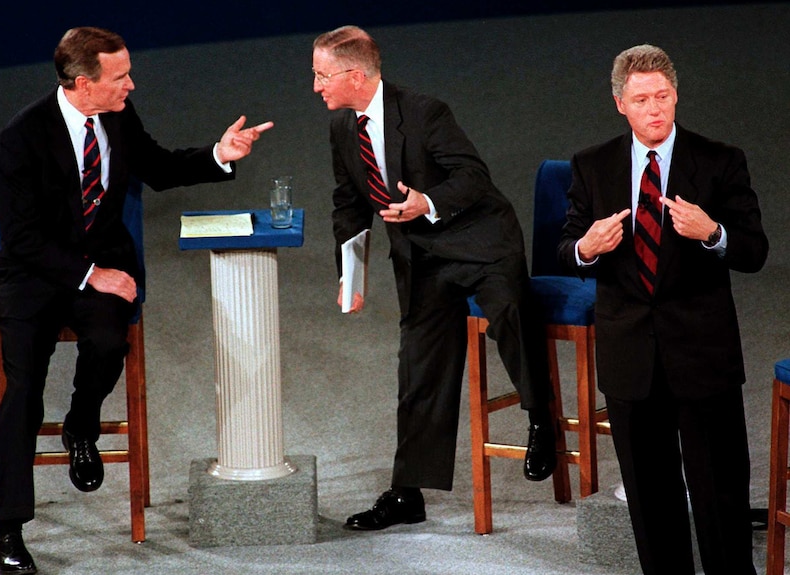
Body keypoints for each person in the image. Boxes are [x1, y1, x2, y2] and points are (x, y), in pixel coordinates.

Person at [0, 26, 272, 574]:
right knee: (22, 389)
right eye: (119, 77)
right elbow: (21, 237)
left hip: (102, 267)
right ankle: (9, 530)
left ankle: (81, 424)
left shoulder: (116, 116)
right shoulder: (21, 136)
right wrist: (91, 274)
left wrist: (220, 153)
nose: (131, 85)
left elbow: (159, 167)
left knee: (107, 340)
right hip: (32, 277)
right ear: (81, 83)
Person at [311, 25, 556, 531]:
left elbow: (473, 176)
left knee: (509, 311)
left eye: (320, 75)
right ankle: (407, 494)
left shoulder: (424, 112)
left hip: (479, 242)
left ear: (355, 76)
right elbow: (349, 203)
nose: (315, 87)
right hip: (423, 257)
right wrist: (350, 273)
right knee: (418, 365)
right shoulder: (342, 127)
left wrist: (426, 201)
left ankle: (541, 420)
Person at [558, 44, 768, 575]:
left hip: (702, 354)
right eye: (641, 99)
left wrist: (712, 233)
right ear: (619, 104)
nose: (655, 109)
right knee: (652, 505)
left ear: (676, 96)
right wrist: (588, 247)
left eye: (663, 97)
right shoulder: (592, 165)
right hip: (631, 356)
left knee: (720, 497)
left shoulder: (719, 160)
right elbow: (565, 248)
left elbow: (754, 250)